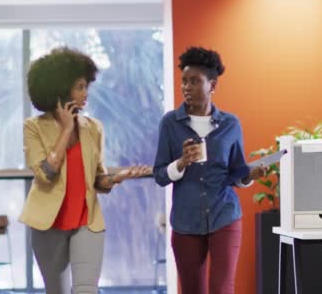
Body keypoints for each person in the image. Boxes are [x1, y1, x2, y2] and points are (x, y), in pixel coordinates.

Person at [20, 47, 152, 294]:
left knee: (86, 290)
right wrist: (67, 130)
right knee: (56, 291)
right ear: (60, 89)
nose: (85, 94)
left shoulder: (94, 128)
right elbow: (45, 174)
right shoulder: (33, 127)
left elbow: (98, 180)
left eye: (86, 87)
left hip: (87, 223)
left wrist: (116, 178)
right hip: (49, 225)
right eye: (80, 87)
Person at [153, 46, 268, 294]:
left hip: (224, 216)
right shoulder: (170, 124)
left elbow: (236, 172)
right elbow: (160, 175)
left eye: (194, 81)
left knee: (222, 289)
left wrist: (249, 176)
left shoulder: (231, 124)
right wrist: (181, 162)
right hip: (185, 222)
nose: (186, 87)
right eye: (184, 81)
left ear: (212, 86)